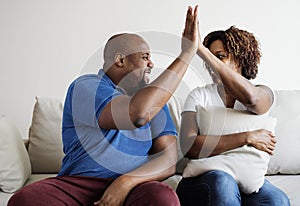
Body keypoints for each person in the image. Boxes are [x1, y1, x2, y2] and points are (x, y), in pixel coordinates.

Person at [8, 5, 199, 206]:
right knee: (26, 199)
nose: (151, 64)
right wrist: (186, 54)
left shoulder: (156, 101)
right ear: (120, 60)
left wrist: (126, 182)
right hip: (78, 184)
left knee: (162, 197)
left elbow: (168, 160)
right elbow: (137, 114)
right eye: (144, 57)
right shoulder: (87, 86)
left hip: (135, 185)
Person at [176, 24, 291, 205]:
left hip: (246, 179)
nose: (211, 64)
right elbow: (188, 145)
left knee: (278, 200)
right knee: (223, 183)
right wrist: (246, 137)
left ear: (240, 59)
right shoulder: (199, 95)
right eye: (208, 58)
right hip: (204, 181)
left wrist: (202, 50)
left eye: (220, 57)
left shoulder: (263, 93)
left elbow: (252, 99)